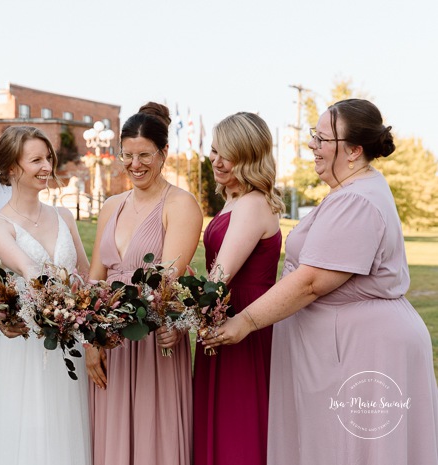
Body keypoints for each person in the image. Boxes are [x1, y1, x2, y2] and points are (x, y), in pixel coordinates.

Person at [205, 99, 438, 464]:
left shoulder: (357, 201)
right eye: (314, 136)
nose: (312, 145)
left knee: (356, 451)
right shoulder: (349, 193)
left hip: (365, 350)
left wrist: (245, 322)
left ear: (354, 150)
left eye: (322, 138)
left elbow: (311, 281)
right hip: (348, 348)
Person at [0, 126, 92, 465]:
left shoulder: (64, 216)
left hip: (70, 343)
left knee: (67, 430)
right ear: (10, 168)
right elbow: (28, 268)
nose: (47, 166)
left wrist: (93, 324)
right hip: (23, 348)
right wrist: (56, 299)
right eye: (36, 160)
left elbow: (85, 273)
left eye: (48, 158)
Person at [85, 102, 203, 465]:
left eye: (145, 155)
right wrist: (93, 340)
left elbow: (165, 284)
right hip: (110, 345)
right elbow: (94, 279)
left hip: (152, 341)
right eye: (127, 155)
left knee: (154, 442)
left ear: (164, 153)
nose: (135, 165)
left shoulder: (180, 205)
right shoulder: (111, 206)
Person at [192, 112, 283, 465]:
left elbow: (218, 278)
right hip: (223, 315)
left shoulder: (252, 204)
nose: (214, 160)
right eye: (213, 151)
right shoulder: (234, 200)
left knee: (238, 418)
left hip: (243, 318)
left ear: (247, 155)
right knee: (221, 414)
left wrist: (171, 311)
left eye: (224, 153)